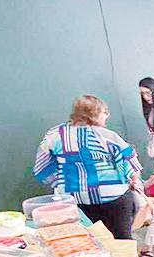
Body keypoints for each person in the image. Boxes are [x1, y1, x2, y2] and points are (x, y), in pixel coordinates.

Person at [33, 95, 142, 240]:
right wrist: (132, 180)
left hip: (74, 203)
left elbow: (41, 170)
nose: (107, 116)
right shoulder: (109, 137)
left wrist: (62, 183)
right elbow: (131, 165)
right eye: (104, 112)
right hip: (114, 200)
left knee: (85, 244)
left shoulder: (55, 135)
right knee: (121, 242)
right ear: (94, 113)